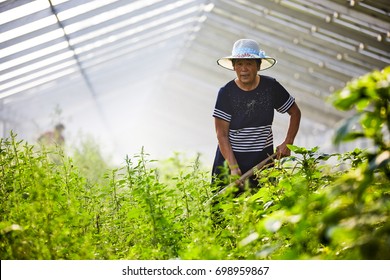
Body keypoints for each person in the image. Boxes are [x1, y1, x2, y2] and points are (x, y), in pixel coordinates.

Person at [211, 39, 301, 192]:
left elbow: (295, 112)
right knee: (223, 212)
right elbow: (222, 134)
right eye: (239, 64)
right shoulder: (226, 93)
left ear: (258, 66)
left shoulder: (271, 87)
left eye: (249, 63)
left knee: (263, 209)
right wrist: (233, 168)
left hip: (262, 163)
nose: (244, 69)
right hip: (230, 163)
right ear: (233, 67)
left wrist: (288, 141)